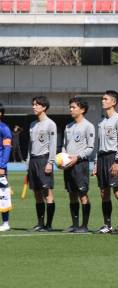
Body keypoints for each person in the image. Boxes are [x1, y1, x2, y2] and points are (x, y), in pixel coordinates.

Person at [93, 90, 118, 234]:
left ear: (113, 102)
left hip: (113, 157)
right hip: (101, 158)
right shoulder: (101, 121)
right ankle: (107, 225)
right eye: (102, 98)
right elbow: (99, 143)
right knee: (103, 192)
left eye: (105, 99)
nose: (102, 101)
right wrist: (95, 162)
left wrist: (117, 161)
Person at [62, 97, 95, 233]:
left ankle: (84, 225)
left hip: (80, 164)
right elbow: (64, 145)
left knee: (82, 194)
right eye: (70, 107)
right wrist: (63, 158)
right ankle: (75, 224)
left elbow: (90, 147)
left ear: (82, 109)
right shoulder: (68, 127)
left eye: (73, 107)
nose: (71, 109)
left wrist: (77, 157)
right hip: (68, 165)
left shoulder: (88, 126)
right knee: (71, 194)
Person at [27, 96, 57, 232]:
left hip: (44, 160)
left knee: (47, 192)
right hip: (33, 161)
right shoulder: (33, 124)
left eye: (36, 105)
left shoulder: (50, 124)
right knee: (37, 193)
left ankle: (48, 224)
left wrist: (50, 162)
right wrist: (28, 162)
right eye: (33, 104)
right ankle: (40, 223)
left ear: (44, 107)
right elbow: (30, 145)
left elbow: (53, 145)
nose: (33, 107)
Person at [0, 103, 12, 232]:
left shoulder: (4, 128)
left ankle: (5, 222)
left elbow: (7, 149)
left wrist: (2, 166)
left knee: (2, 194)